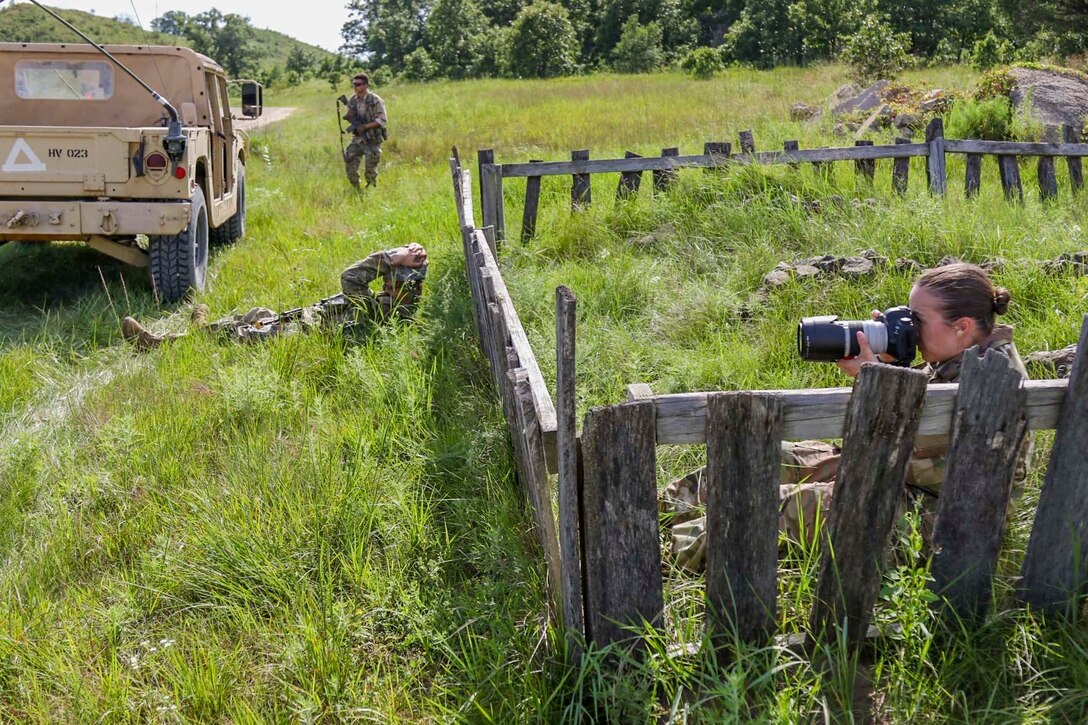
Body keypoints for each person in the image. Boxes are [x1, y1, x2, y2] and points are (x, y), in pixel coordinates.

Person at [662, 262, 1033, 572]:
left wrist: (879, 383)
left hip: (942, 518)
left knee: (773, 504)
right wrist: (895, 366)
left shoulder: (996, 378)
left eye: (916, 320)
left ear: (962, 326)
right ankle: (651, 515)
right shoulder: (958, 358)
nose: (908, 327)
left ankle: (664, 558)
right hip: (895, 478)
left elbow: (934, 464)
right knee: (760, 458)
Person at [122, 244, 428, 350]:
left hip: (297, 337)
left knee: (237, 332)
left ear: (411, 291)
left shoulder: (385, 313)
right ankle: (203, 327)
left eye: (393, 283)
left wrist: (391, 257)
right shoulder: (393, 305)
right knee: (257, 313)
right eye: (387, 280)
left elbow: (350, 278)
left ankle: (155, 343)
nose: (386, 286)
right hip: (299, 322)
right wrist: (402, 258)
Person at [341, 73, 387, 190]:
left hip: (371, 139)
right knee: (349, 161)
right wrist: (349, 116)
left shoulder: (375, 100)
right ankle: (355, 188)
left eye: (358, 84)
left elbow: (382, 120)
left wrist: (365, 126)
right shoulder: (353, 99)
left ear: (366, 85)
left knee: (370, 169)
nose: (355, 87)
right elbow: (351, 113)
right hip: (357, 139)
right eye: (354, 84)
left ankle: (371, 189)